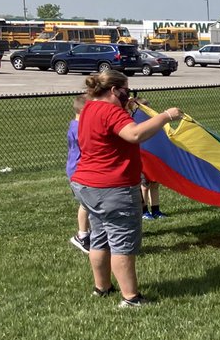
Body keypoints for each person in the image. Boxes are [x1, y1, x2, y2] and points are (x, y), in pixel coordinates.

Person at [70, 70, 182, 307]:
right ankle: (130, 298)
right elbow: (135, 134)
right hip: (113, 188)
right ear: (114, 90)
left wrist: (126, 111)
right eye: (126, 90)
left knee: (100, 238)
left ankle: (102, 287)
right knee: (122, 242)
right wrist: (166, 116)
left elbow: (111, 134)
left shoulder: (89, 107)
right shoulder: (111, 111)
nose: (128, 95)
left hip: (87, 185)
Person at [68, 94, 91, 254]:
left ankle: (89, 233)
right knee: (86, 203)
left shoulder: (74, 124)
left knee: (88, 203)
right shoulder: (79, 128)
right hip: (79, 169)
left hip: (77, 168)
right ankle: (82, 235)